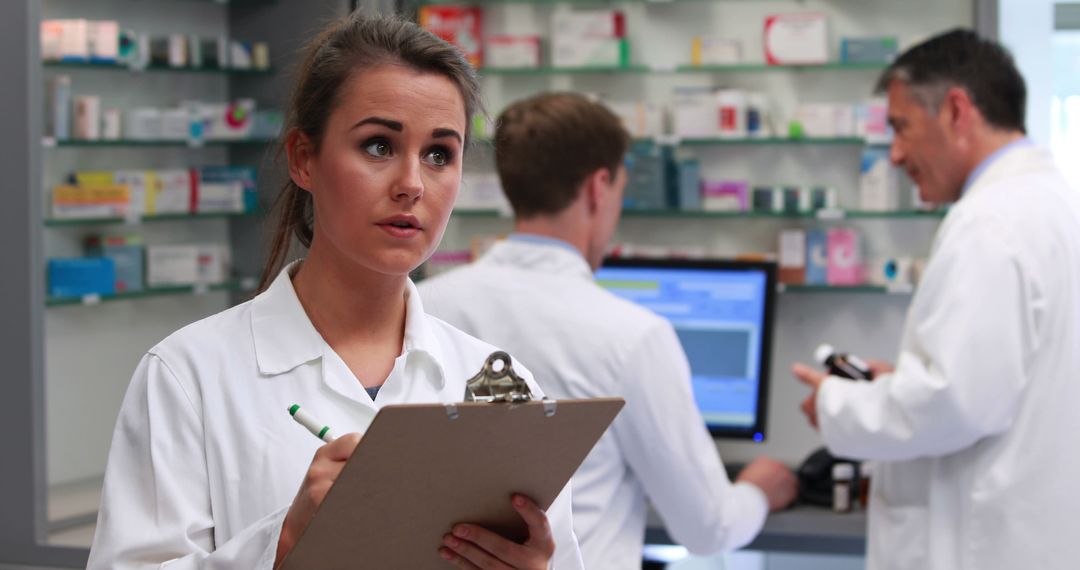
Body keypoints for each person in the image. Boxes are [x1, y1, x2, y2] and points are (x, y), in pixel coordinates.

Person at [86, 13, 585, 570]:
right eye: (378, 146)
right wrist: (279, 544)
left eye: (439, 154)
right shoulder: (188, 375)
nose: (412, 184)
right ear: (304, 159)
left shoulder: (499, 386)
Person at [419, 92, 797, 569]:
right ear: (600, 188)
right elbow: (707, 527)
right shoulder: (632, 335)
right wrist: (760, 490)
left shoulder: (428, 305)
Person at [791, 29, 1080, 570]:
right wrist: (901, 383)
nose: (895, 154)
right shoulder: (1053, 201)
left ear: (955, 110)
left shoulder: (988, 223)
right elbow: (998, 381)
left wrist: (837, 403)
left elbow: (953, 405)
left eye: (901, 127)